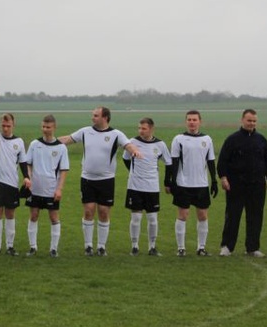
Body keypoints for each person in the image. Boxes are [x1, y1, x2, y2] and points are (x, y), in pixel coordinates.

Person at [60, 106, 140, 256]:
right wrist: (49, 142)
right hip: (87, 179)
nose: (93, 118)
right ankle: (88, 246)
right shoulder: (85, 131)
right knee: (89, 211)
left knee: (103, 212)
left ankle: (101, 247)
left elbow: (128, 145)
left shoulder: (116, 134)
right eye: (93, 115)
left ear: (105, 118)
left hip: (106, 180)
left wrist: (134, 151)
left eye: (96, 115)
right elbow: (67, 139)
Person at [217, 109, 267, 257]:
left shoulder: (261, 140)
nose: (252, 123)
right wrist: (223, 178)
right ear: (242, 120)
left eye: (254, 121)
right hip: (236, 185)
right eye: (249, 120)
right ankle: (227, 246)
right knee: (233, 216)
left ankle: (252, 248)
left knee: (255, 216)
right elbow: (223, 160)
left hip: (257, 185)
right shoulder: (232, 140)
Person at [0, 85, 31, 256]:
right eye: (3, 124)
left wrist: (26, 177)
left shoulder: (19, 142)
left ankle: (10, 247)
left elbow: (23, 162)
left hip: (12, 183)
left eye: (7, 125)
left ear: (13, 124)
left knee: (10, 215)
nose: (5, 127)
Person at [169, 110, 218, 257]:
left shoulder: (207, 139)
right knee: (183, 215)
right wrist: (173, 182)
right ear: (186, 122)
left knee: (202, 215)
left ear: (200, 122)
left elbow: (210, 161)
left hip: (201, 184)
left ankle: (201, 248)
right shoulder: (179, 139)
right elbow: (174, 161)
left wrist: (214, 181)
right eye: (189, 119)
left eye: (194, 120)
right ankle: (181, 248)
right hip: (183, 184)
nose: (192, 122)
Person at [122, 117, 172, 256]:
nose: (140, 131)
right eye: (139, 128)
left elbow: (168, 162)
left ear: (151, 129)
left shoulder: (160, 144)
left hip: (152, 187)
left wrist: (167, 182)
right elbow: (125, 159)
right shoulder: (132, 142)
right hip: (135, 186)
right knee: (136, 217)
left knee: (152, 218)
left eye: (143, 128)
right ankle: (134, 246)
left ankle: (152, 247)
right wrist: (133, 172)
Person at [25, 114, 69, 258]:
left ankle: (54, 249)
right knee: (33, 215)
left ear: (54, 127)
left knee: (54, 217)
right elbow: (28, 164)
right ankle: (33, 247)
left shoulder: (61, 148)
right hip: (35, 189)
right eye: (43, 126)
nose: (45, 129)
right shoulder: (34, 144)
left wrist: (59, 189)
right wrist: (29, 178)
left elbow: (63, 171)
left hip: (51, 189)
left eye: (48, 127)